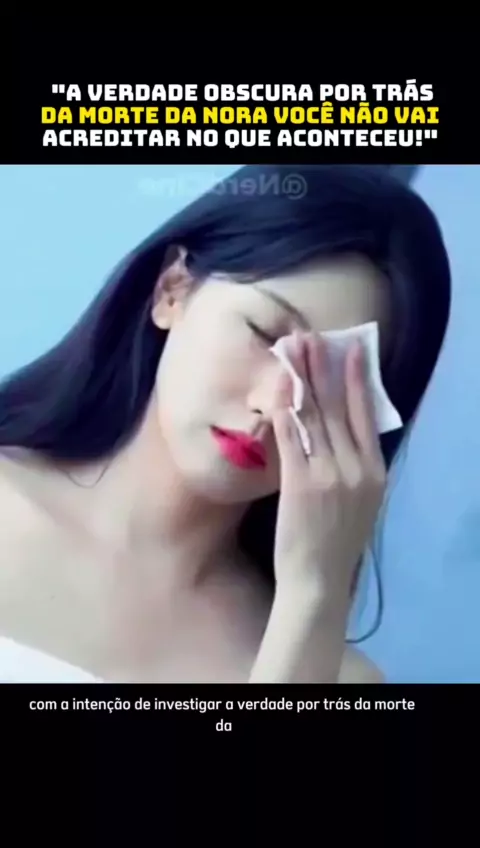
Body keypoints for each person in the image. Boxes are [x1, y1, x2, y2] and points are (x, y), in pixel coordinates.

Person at [0, 164, 451, 683]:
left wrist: (313, 594)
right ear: (173, 289)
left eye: (327, 382)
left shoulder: (336, 672)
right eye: (264, 334)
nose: (274, 405)